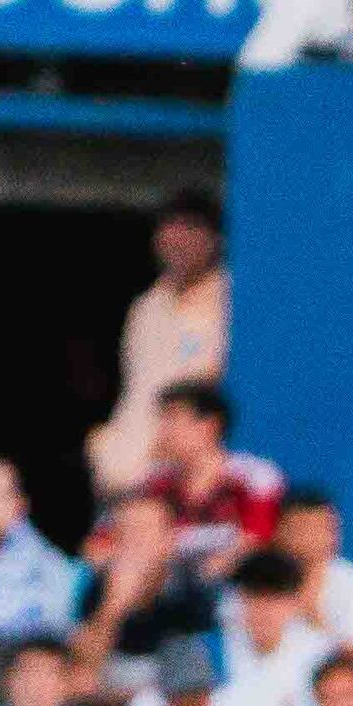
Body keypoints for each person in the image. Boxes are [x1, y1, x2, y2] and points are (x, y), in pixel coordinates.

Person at [89, 191, 230, 498]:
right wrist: (109, 443)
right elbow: (134, 388)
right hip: (122, 470)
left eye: (191, 229)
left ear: (215, 239)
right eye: (169, 228)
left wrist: (166, 448)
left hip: (182, 472)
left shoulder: (228, 303)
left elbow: (211, 383)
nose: (177, 239)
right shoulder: (145, 307)